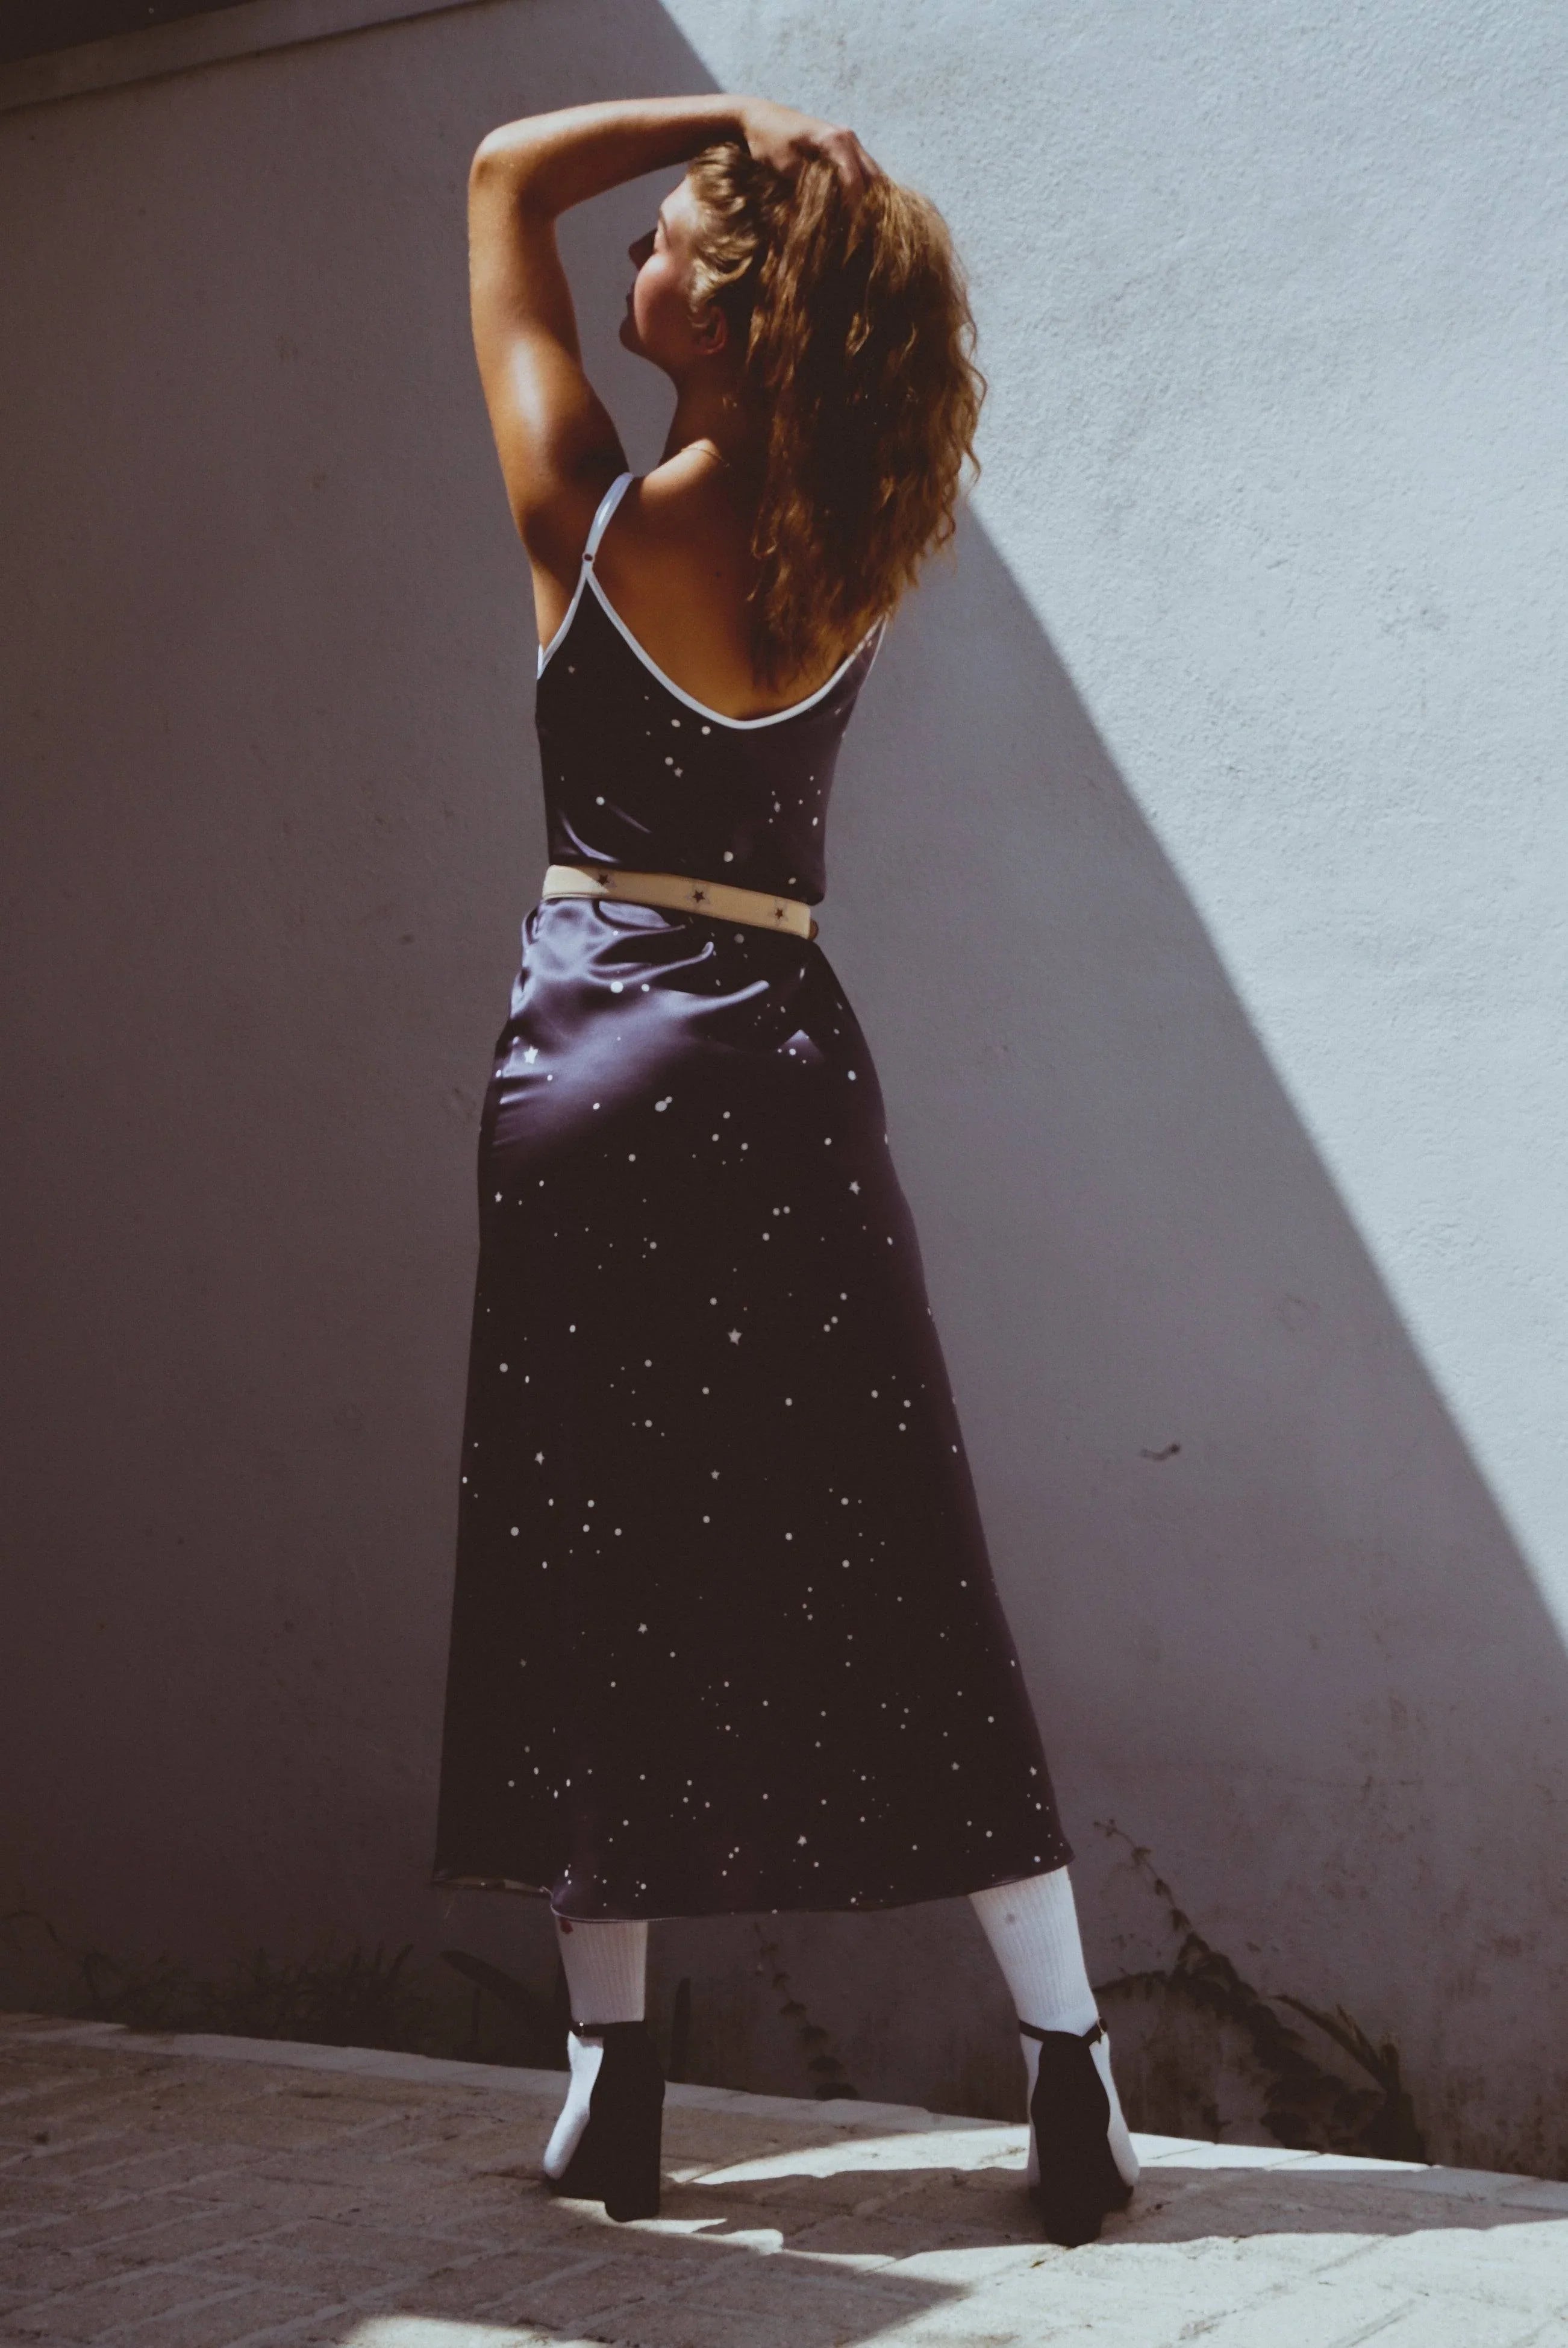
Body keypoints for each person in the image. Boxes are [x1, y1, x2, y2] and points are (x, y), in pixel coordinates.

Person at [430, 91, 1139, 2247]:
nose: (626, 254)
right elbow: (565, 215)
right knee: (900, 1556)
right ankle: (1070, 2064)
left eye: (668, 241)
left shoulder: (592, 513)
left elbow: (496, 180)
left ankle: (615, 2087)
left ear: (720, 316)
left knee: (591, 1560)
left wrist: (720, 113)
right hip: (787, 1060)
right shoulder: (854, 537)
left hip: (593, 1060)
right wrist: (775, 180)